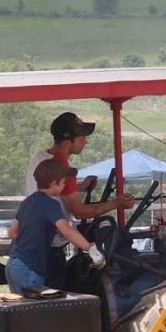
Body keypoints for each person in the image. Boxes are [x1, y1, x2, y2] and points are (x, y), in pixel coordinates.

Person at [26, 112, 135, 288]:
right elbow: (79, 211)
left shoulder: (40, 159)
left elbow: (53, 190)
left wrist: (80, 187)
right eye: (82, 138)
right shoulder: (61, 167)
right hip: (49, 249)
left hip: (30, 246)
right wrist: (117, 203)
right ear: (68, 142)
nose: (86, 142)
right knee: (51, 304)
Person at [6, 159, 96, 295]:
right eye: (64, 182)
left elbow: (12, 233)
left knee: (19, 313)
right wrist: (90, 249)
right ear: (54, 183)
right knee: (34, 312)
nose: (65, 185)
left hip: (14, 265)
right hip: (30, 268)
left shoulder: (27, 202)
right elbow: (66, 231)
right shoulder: (51, 204)